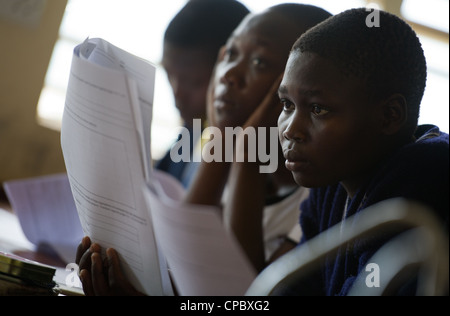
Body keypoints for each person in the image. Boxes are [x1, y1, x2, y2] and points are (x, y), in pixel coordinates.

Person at [76, 3, 332, 295]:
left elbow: (245, 297)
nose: (229, 73)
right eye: (231, 55)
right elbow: (181, 264)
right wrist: (223, 136)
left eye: (259, 62)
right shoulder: (227, 168)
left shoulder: (318, 202)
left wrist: (246, 153)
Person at [276, 8, 449, 295]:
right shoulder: (332, 178)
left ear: (389, 116)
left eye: (318, 109)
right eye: (287, 105)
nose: (290, 130)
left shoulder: (421, 182)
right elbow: (296, 286)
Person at [155, 0, 250, 188]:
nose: (177, 94)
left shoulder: (254, 151)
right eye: (168, 74)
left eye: (193, 82)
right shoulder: (193, 130)